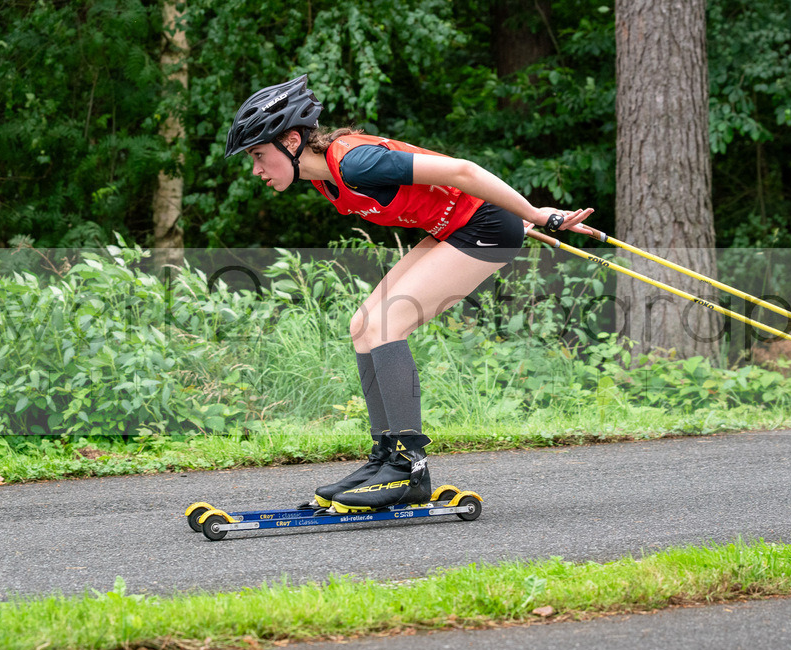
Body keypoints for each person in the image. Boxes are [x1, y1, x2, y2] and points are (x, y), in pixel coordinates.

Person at [225, 74, 592, 513]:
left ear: (289, 140)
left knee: (388, 320)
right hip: (461, 225)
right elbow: (437, 191)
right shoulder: (325, 178)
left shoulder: (356, 164)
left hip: (483, 228)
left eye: (259, 155)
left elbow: (462, 171)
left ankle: (409, 469)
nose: (256, 169)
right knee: (362, 325)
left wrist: (530, 213)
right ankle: (385, 458)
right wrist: (526, 218)